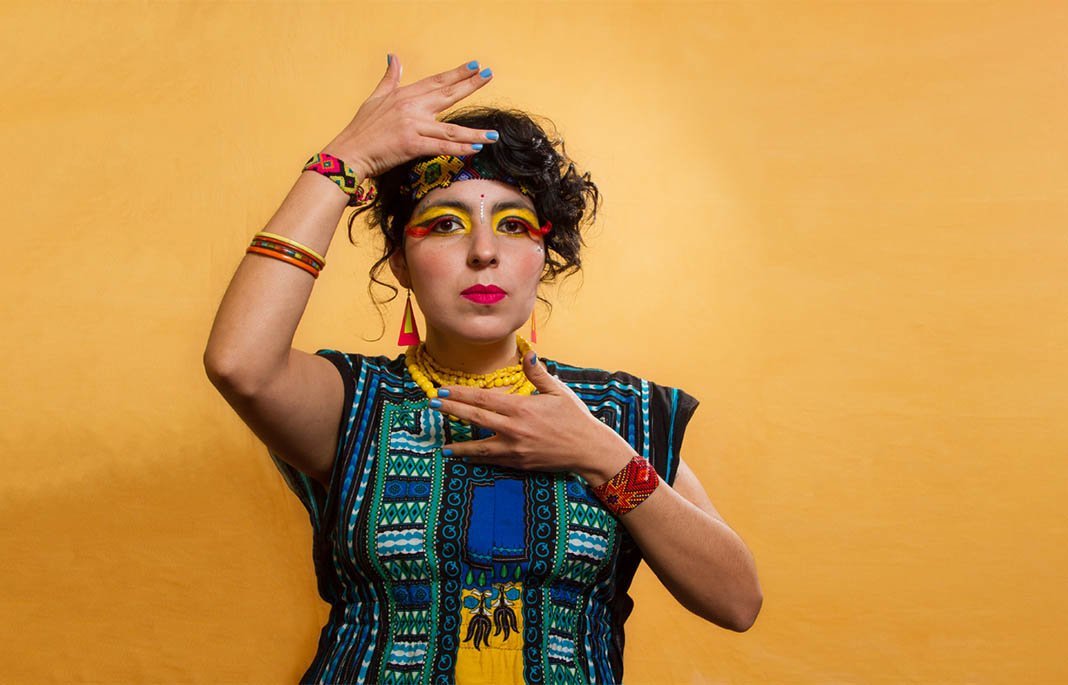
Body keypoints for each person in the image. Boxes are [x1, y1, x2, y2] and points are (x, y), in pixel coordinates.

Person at [204, 54, 762, 685]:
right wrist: (343, 160)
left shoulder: (617, 413)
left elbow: (737, 602)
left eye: (513, 225)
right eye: (445, 224)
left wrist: (602, 457)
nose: (484, 251)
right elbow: (239, 364)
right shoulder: (353, 403)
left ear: (544, 257)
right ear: (400, 264)